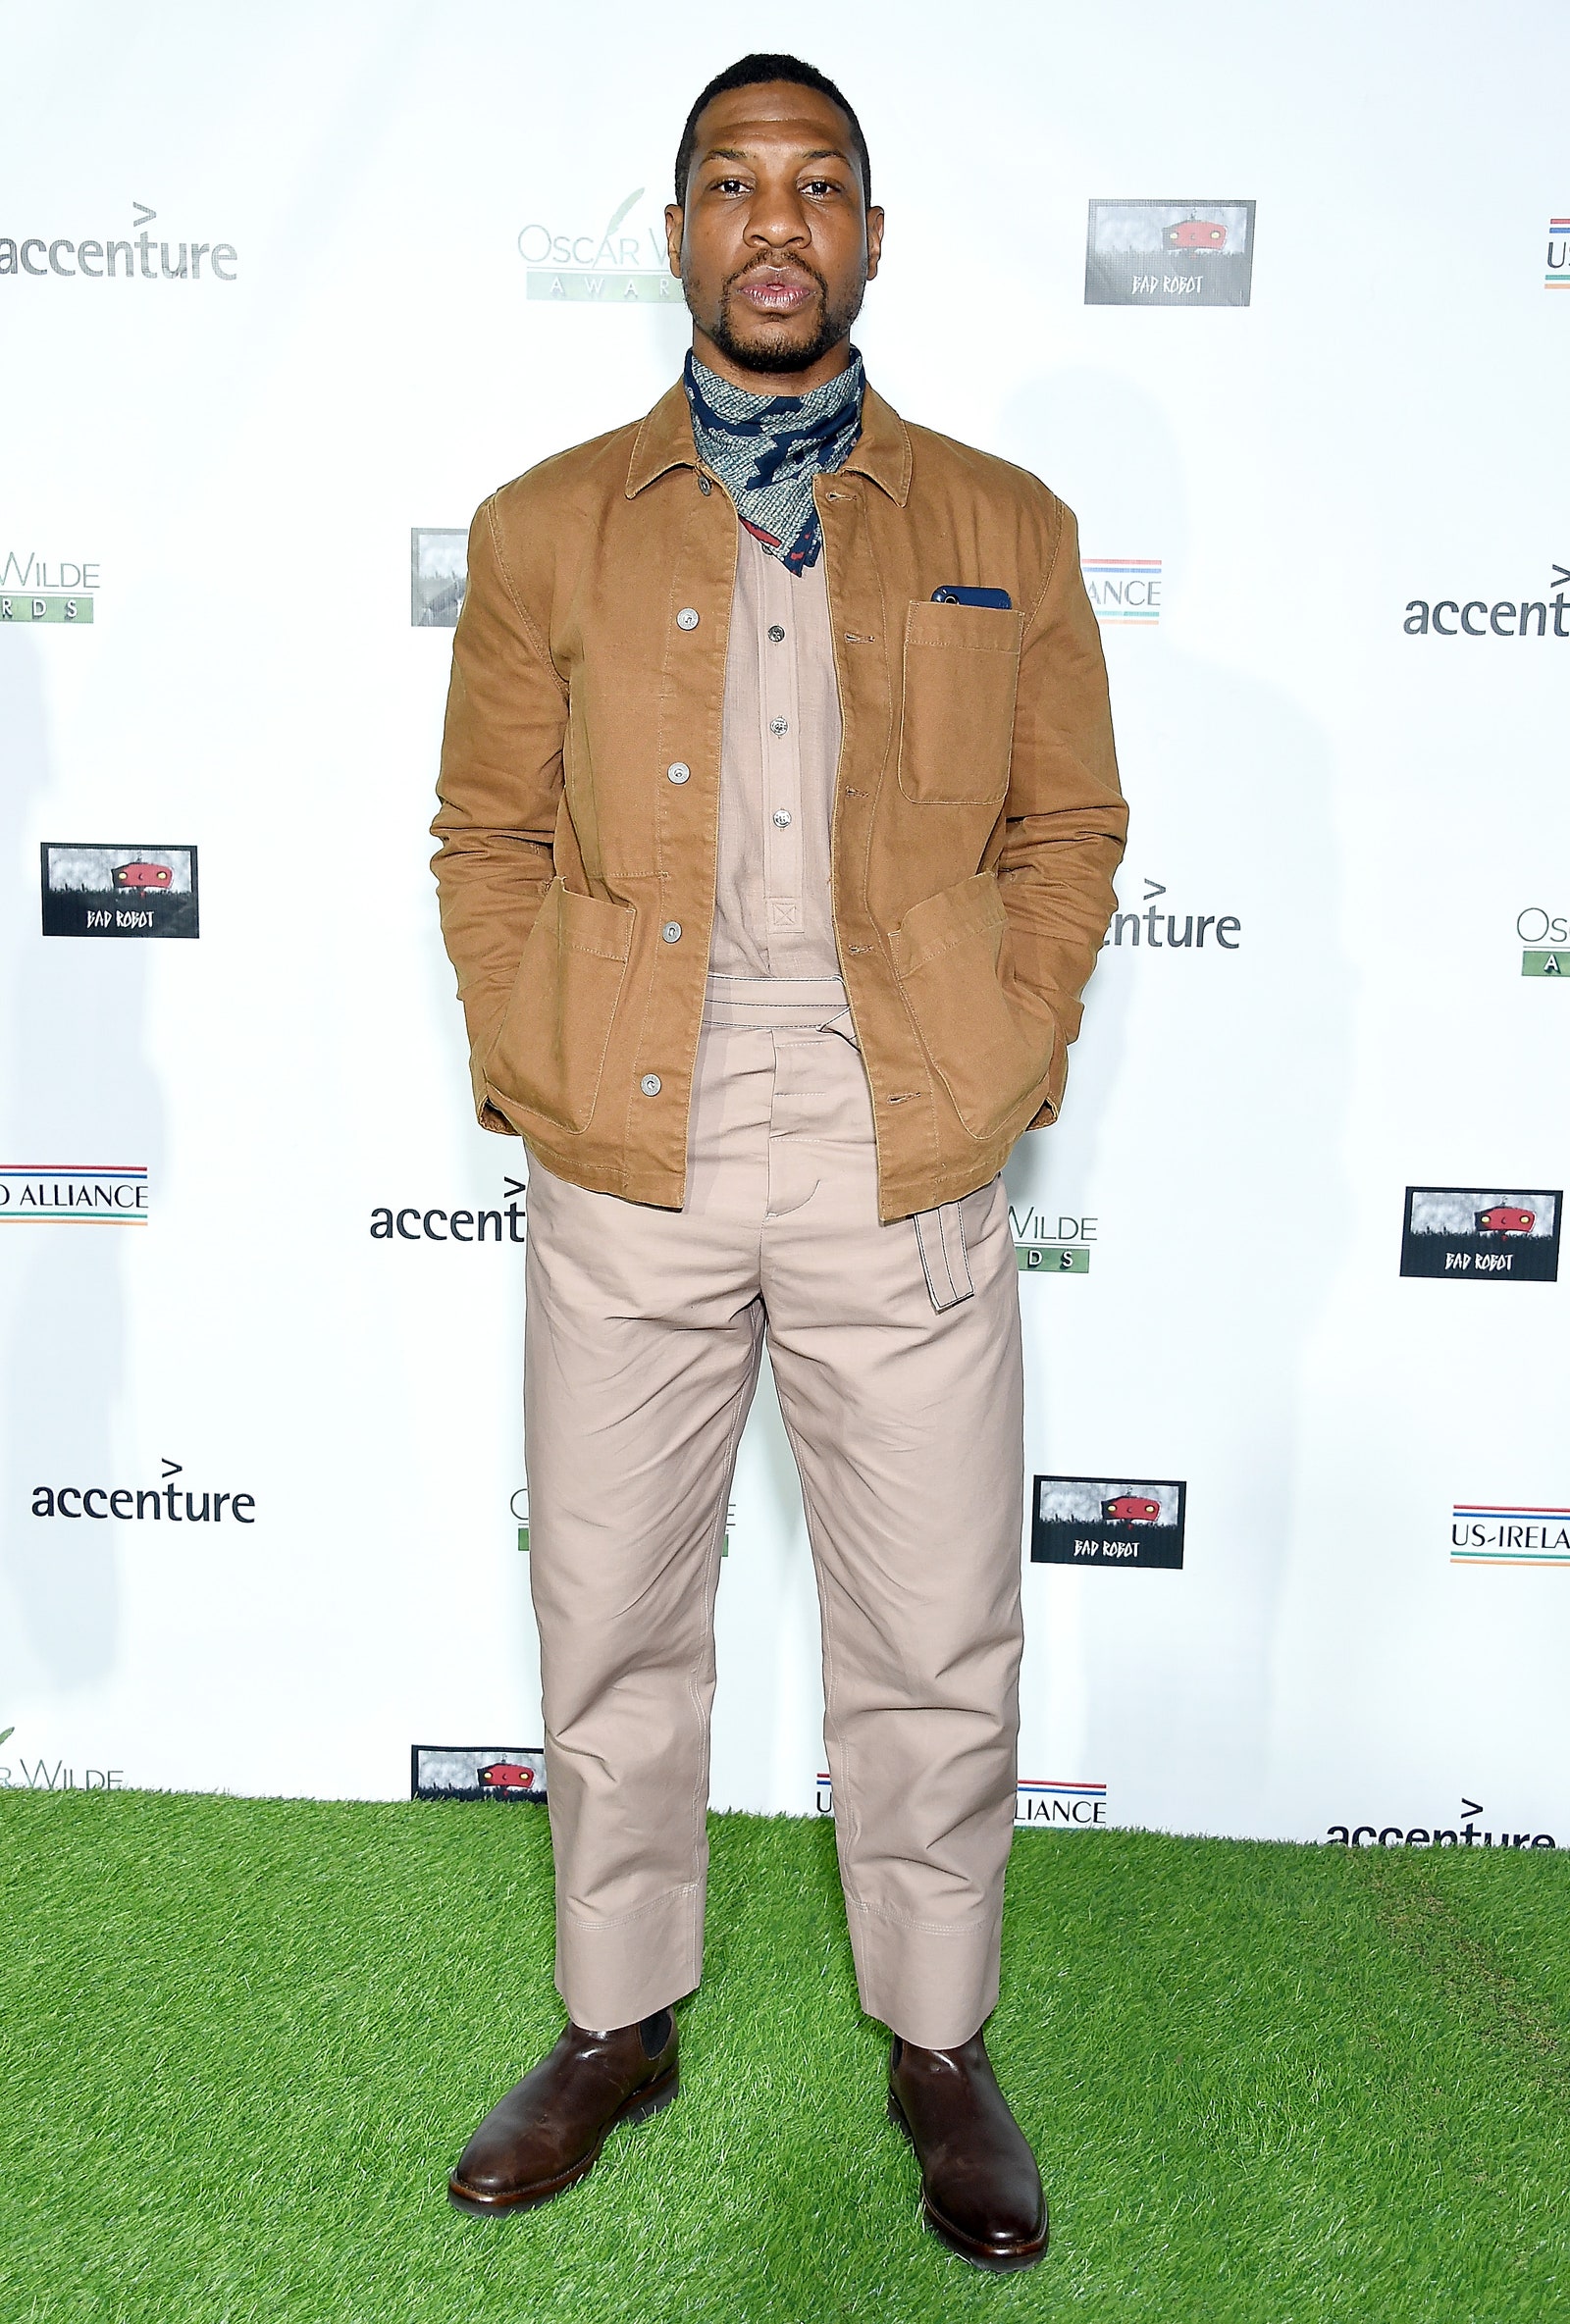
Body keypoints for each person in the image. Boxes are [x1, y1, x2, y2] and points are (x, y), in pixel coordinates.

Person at [431, 51, 1125, 2272]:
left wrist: (1006, 1055)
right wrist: (533, 1048)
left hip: (897, 1146)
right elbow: (484, 837)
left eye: (815, 186)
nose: (772, 223)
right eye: (730, 185)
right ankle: (615, 2023)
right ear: (673, 236)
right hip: (625, 1145)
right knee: (613, 1614)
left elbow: (1066, 831)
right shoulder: (550, 522)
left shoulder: (998, 525)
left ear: (870, 236)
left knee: (928, 1635)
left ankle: (936, 2046)